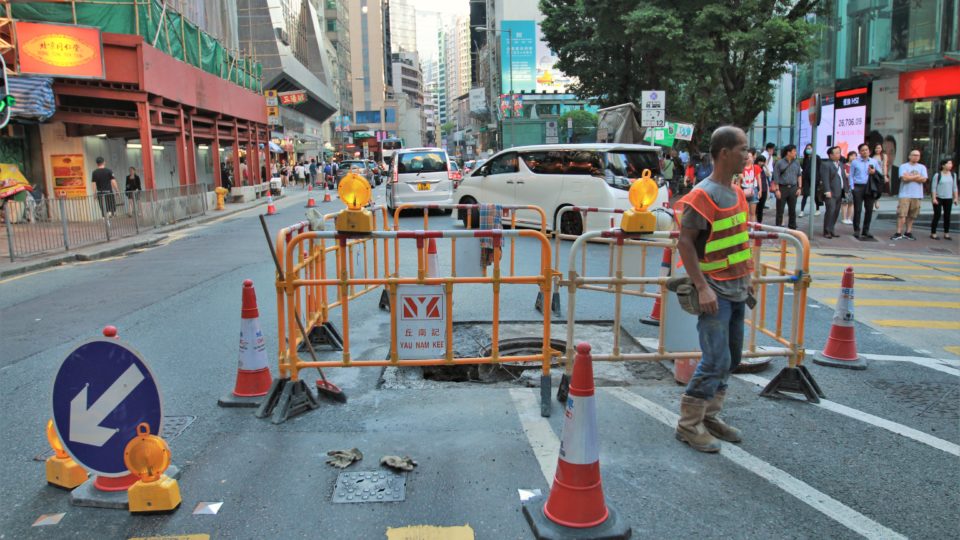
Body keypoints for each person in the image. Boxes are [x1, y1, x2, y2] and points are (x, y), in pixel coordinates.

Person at [673, 126, 753, 453]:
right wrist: (703, 287)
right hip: (715, 291)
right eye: (743, 149)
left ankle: (708, 416)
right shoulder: (702, 196)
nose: (748, 155)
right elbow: (685, 243)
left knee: (731, 359)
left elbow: (738, 241)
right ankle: (688, 425)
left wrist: (748, 282)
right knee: (715, 358)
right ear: (724, 153)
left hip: (737, 289)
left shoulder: (738, 194)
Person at [891, 149, 927, 240]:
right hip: (905, 194)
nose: (916, 157)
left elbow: (924, 179)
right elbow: (904, 179)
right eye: (914, 155)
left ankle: (908, 232)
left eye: (918, 155)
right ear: (909, 156)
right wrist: (917, 176)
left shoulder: (922, 167)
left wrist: (910, 177)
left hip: (917, 194)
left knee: (912, 215)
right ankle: (898, 232)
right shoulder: (903, 166)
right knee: (902, 214)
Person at [850, 143, 881, 240]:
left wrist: (874, 172)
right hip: (858, 187)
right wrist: (852, 187)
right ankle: (856, 230)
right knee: (858, 209)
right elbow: (851, 175)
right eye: (862, 150)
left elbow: (879, 175)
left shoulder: (874, 162)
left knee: (869, 209)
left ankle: (866, 230)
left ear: (869, 151)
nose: (865, 151)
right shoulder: (855, 162)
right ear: (859, 152)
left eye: (866, 150)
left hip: (870, 186)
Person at [772, 144, 802, 229]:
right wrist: (777, 190)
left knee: (792, 209)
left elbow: (799, 175)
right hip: (782, 188)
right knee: (780, 209)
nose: (795, 153)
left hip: (793, 187)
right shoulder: (779, 163)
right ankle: (778, 226)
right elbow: (776, 177)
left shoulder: (796, 162)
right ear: (788, 152)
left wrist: (799, 187)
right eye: (794, 151)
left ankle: (792, 226)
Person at [819, 146, 845, 238]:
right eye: (837, 153)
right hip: (831, 192)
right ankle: (826, 231)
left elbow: (843, 178)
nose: (839, 154)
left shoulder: (840, 164)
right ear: (831, 155)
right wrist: (827, 190)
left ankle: (832, 229)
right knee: (830, 211)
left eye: (839, 152)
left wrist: (845, 189)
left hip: (840, 191)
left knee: (836, 212)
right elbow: (825, 179)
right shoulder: (826, 164)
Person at [930, 158, 957, 240]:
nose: (950, 165)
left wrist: (955, 198)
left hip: (948, 198)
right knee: (937, 215)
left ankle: (946, 233)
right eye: (948, 163)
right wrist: (934, 198)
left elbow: (955, 187)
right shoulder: (938, 175)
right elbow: (933, 187)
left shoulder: (953, 175)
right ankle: (933, 232)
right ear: (943, 165)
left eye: (951, 164)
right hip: (938, 198)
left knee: (947, 216)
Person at [799, 144, 822, 218]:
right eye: (807, 148)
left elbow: (820, 168)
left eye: (810, 148)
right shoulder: (805, 158)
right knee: (805, 194)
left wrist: (820, 179)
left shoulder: (817, 157)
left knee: (815, 194)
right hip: (806, 179)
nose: (808, 150)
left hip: (815, 179)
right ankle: (802, 211)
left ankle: (817, 209)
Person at [739, 149, 761, 223]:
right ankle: (745, 228)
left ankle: (752, 229)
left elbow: (759, 179)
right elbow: (738, 182)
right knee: (744, 212)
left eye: (750, 156)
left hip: (753, 189)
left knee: (753, 212)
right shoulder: (740, 168)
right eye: (747, 157)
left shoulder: (756, 167)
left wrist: (760, 190)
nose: (749, 158)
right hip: (743, 189)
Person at [841, 151, 857, 224]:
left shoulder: (857, 165)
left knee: (852, 203)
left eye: (855, 156)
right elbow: (845, 175)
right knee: (845, 202)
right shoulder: (844, 165)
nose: (853, 157)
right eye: (851, 156)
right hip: (846, 186)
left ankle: (849, 218)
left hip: (854, 186)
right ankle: (844, 218)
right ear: (848, 156)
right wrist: (852, 176)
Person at [755, 154, 769, 223]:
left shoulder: (762, 169)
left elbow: (769, 174)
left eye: (763, 161)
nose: (761, 163)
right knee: (756, 208)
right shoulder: (754, 167)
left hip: (764, 189)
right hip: (757, 189)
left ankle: (759, 223)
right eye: (760, 161)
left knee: (761, 208)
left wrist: (766, 166)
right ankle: (755, 223)